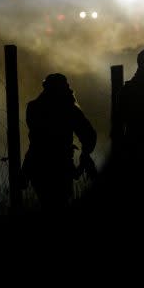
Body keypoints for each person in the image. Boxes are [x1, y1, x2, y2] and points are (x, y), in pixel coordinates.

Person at [23, 73, 97, 211]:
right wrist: (85, 156)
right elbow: (89, 135)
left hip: (38, 164)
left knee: (48, 203)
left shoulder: (34, 107)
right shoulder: (68, 108)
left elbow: (37, 140)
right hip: (60, 165)